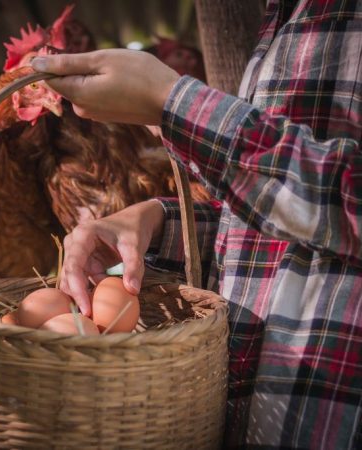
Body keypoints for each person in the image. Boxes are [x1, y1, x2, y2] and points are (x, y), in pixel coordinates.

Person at [31, 1, 362, 449]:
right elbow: (292, 237)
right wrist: (158, 221)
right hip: (255, 409)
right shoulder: (290, 12)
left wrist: (174, 103)